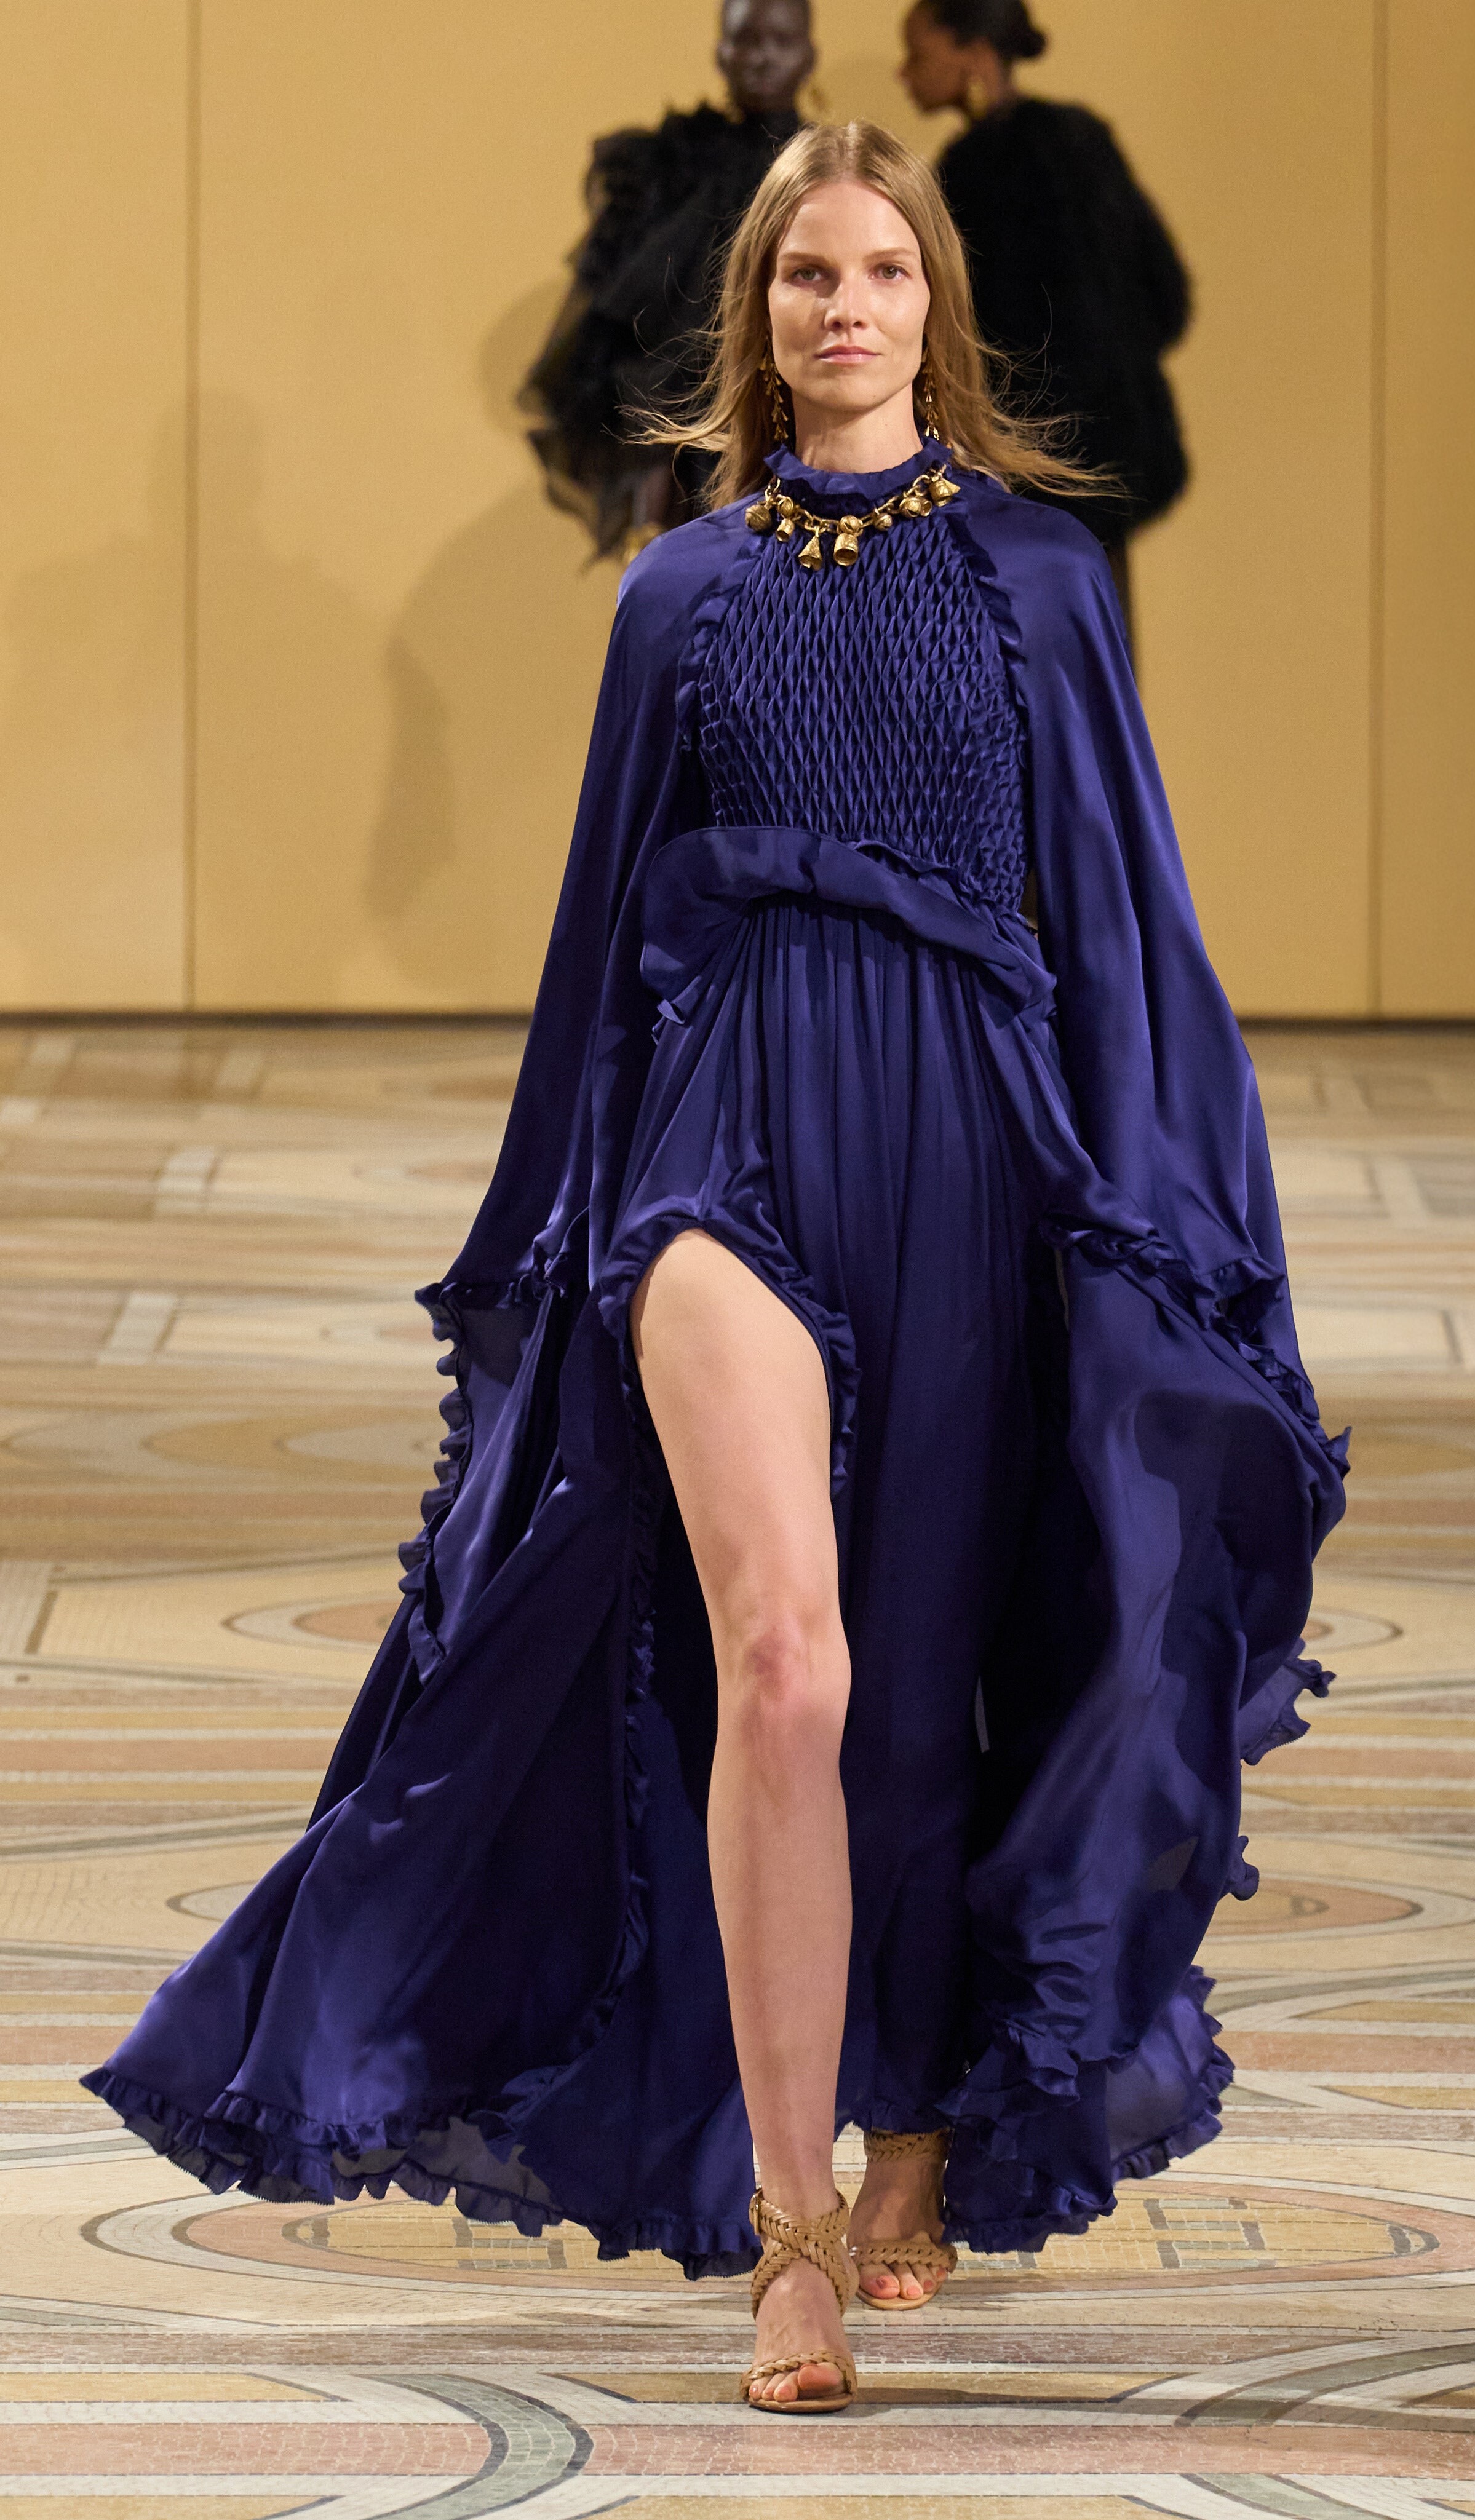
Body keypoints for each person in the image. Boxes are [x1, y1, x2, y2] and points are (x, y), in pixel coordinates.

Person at [85, 124, 1344, 2415]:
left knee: (926, 1677)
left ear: (935, 306)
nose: (842, 308)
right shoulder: (676, 595)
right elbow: (595, 949)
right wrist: (556, 1248)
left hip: (970, 1151)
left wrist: (1168, 1238)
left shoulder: (1040, 579)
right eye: (803, 275)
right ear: (755, 313)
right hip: (718, 1150)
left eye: (881, 271)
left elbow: (1123, 925)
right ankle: (788, 2225)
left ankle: (918, 2112)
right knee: (784, 1660)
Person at [899, 0, 1190, 638]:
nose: (904, 74)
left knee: (1031, 657)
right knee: (1099, 656)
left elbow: (968, 343)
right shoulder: (1083, 142)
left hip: (1026, 467)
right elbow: (1168, 298)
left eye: (917, 54)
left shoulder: (971, 175)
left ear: (974, 56)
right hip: (1113, 465)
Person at [520, 0, 814, 560]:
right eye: (746, 40)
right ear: (721, 53)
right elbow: (637, 335)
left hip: (788, 416)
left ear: (809, 56)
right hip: (674, 431)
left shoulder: (824, 171)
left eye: (781, 41)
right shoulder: (671, 168)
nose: (762, 58)